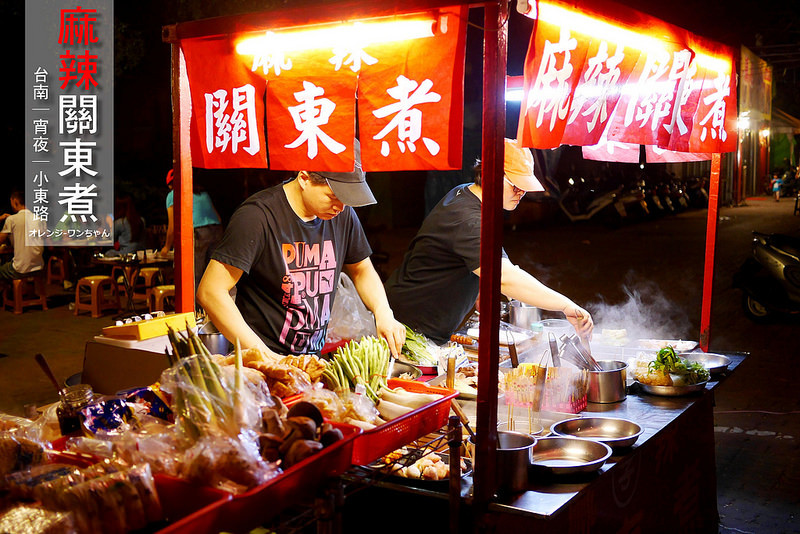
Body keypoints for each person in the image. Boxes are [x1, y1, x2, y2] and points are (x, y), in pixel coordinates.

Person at [196, 139, 406, 358]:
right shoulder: (257, 217)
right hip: (261, 358)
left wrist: (383, 312)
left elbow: (361, 269)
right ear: (304, 178)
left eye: (347, 199)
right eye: (334, 197)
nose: (341, 207)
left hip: (310, 359)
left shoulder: (342, 215)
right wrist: (265, 356)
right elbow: (211, 291)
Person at [385, 138, 593, 345]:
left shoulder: (467, 194)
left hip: (424, 324)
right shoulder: (468, 219)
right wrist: (566, 305)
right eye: (515, 186)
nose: (521, 193)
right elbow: (503, 277)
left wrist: (477, 285)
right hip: (406, 327)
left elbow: (461, 256)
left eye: (524, 187)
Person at [159, 169, 224, 288]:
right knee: (213, 273)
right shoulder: (202, 192)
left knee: (196, 274)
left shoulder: (173, 194)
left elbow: (172, 226)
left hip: (200, 232)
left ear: (170, 185)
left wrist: (166, 247)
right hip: (217, 230)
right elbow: (218, 217)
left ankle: (196, 306)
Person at [0, 191, 45, 280]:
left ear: (15, 201)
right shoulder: (40, 219)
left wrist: (1, 219)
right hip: (39, 267)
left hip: (20, 269)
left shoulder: (11, 219)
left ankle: (10, 292)